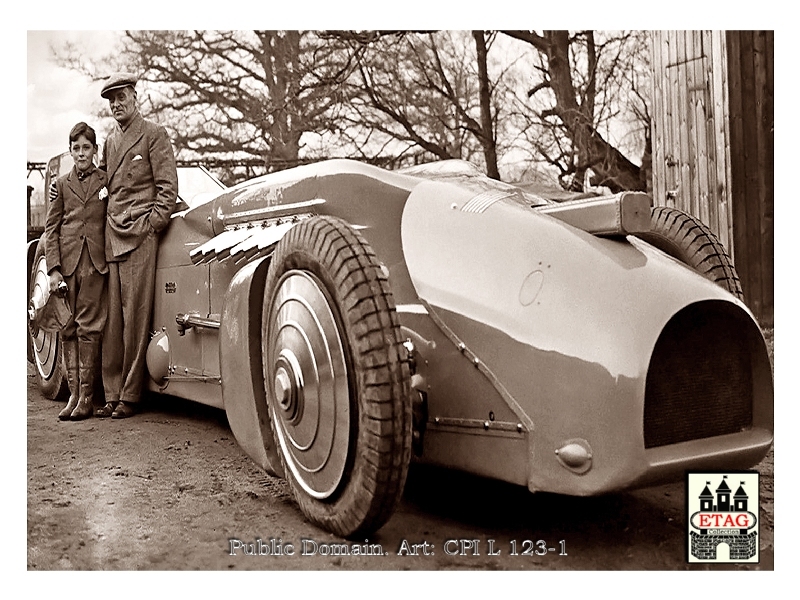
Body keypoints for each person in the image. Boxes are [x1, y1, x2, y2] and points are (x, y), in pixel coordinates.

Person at [94, 72, 178, 419]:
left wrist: (151, 226)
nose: (116, 104)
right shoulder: (110, 142)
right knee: (113, 320)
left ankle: (130, 395)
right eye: (111, 100)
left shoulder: (154, 134)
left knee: (137, 317)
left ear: (134, 97)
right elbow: (100, 184)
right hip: (112, 234)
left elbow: (168, 189)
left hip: (140, 235)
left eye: (121, 97)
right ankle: (111, 393)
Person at [45, 122, 108, 421]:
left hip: (95, 264)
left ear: (94, 150)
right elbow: (51, 228)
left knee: (89, 327)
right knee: (68, 327)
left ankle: (87, 397)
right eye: (76, 148)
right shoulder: (61, 184)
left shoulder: (105, 181)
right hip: (67, 264)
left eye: (86, 147)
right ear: (70, 151)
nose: (81, 153)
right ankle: (72, 395)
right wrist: (54, 269)